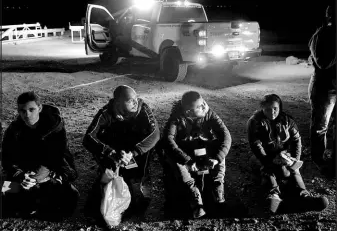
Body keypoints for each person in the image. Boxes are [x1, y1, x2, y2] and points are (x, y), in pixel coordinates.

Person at [83, 85, 160, 221]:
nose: (135, 102)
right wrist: (110, 152)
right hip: (116, 153)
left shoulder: (142, 110)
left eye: (136, 98)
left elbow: (155, 134)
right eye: (130, 100)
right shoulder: (106, 113)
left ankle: (141, 178)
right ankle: (106, 175)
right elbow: (88, 137)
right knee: (98, 202)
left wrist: (133, 153)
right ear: (118, 102)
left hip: (133, 153)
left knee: (136, 192)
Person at [1, 92, 79, 220]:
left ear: (40, 108)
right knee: (7, 195)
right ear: (18, 111)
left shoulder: (55, 126)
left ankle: (44, 197)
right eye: (22, 111)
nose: (27, 115)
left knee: (70, 199)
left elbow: (58, 156)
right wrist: (21, 176)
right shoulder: (13, 130)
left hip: (50, 170)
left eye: (31, 109)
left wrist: (44, 175)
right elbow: (6, 159)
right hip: (26, 171)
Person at [247, 94, 328, 214]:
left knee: (293, 169)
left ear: (280, 108)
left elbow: (296, 140)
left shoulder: (287, 121)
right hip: (262, 156)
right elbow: (256, 145)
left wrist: (294, 159)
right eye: (268, 109)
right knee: (267, 169)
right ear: (262, 108)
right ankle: (273, 195)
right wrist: (269, 161)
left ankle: (303, 195)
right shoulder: (255, 122)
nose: (272, 112)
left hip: (283, 155)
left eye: (275, 108)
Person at [161, 91, 232, 219]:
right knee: (172, 157)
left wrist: (217, 159)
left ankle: (217, 186)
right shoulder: (176, 118)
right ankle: (194, 196)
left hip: (204, 149)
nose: (205, 106)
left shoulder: (209, 113)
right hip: (186, 152)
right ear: (188, 111)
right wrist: (186, 160)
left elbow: (226, 136)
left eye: (204, 103)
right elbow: (168, 140)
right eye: (200, 106)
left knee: (220, 149)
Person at [308, 4, 336, 175]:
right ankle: (319, 160)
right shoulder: (321, 35)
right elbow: (322, 62)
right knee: (320, 126)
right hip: (325, 88)